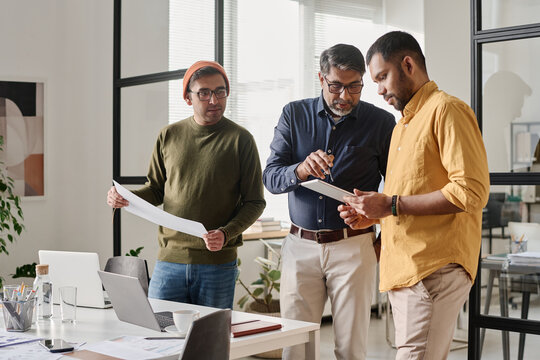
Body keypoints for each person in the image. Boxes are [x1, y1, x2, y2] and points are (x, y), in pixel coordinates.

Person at [339, 31, 490, 359]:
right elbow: (406, 199)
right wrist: (374, 215)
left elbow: (471, 192)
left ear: (408, 64)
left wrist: (390, 204)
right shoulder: (402, 127)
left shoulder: (447, 110)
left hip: (433, 269)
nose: (378, 89)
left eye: (382, 77)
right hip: (406, 268)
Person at [264, 44, 395, 360]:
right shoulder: (294, 115)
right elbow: (270, 177)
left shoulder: (381, 123)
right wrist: (301, 169)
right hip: (300, 246)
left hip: (354, 248)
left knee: (351, 349)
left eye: (354, 87)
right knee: (295, 347)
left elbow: (397, 188)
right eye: (336, 86)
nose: (345, 96)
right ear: (320, 78)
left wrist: (380, 244)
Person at [106, 60, 265, 309]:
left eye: (220, 91)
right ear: (188, 98)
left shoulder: (241, 140)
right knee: (156, 335)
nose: (214, 100)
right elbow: (156, 189)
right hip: (169, 262)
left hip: (218, 264)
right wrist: (125, 197)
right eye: (204, 93)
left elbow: (255, 202)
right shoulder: (168, 136)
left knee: (212, 340)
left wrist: (225, 233)